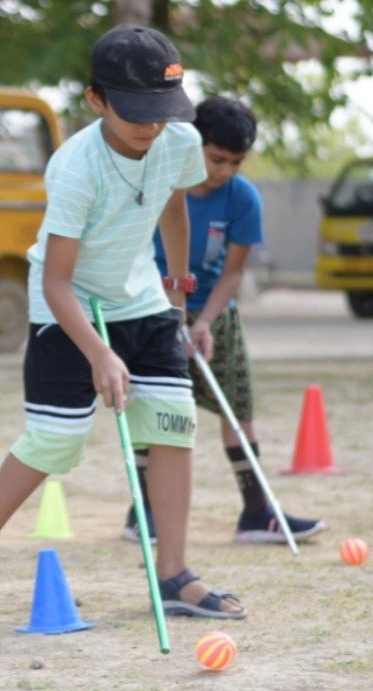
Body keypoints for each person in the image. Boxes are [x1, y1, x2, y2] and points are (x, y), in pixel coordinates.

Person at [0, 25, 247, 621]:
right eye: (135, 114)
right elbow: (56, 279)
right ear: (95, 99)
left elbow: (174, 205)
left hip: (144, 301)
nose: (150, 127)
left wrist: (177, 293)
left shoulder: (179, 140)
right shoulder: (76, 168)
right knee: (56, 440)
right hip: (67, 305)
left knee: (175, 426)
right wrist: (101, 353)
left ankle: (175, 574)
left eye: (160, 112)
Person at [121, 96, 326, 546]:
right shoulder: (153, 182)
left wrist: (204, 322)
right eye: (216, 159)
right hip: (148, 305)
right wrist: (164, 307)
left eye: (236, 163)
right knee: (152, 408)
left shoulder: (242, 198)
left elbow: (233, 272)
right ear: (193, 144)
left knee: (237, 408)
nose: (225, 171)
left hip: (212, 309)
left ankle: (256, 513)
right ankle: (143, 511)